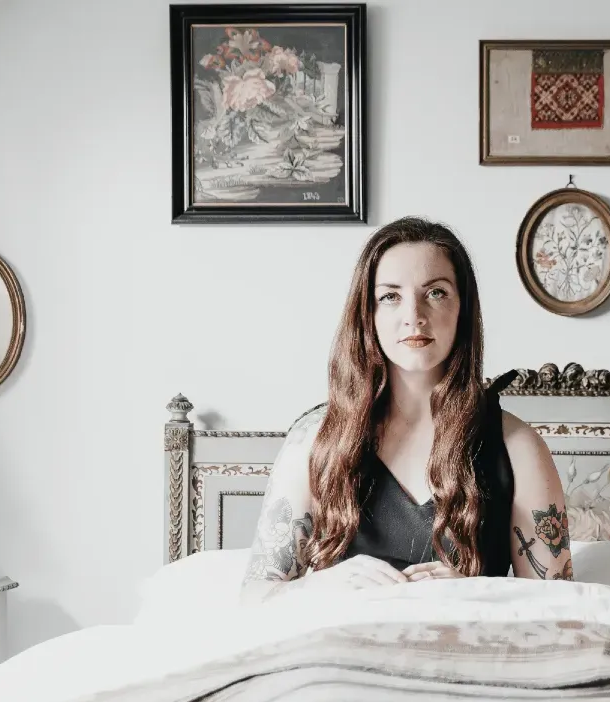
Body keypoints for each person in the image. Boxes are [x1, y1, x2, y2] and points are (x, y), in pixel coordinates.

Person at [240, 216, 573, 603]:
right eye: (390, 296)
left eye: (436, 292)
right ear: (367, 313)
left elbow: (561, 609)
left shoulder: (518, 447)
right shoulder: (313, 439)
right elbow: (256, 597)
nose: (414, 314)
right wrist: (319, 585)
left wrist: (476, 592)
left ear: (463, 310)